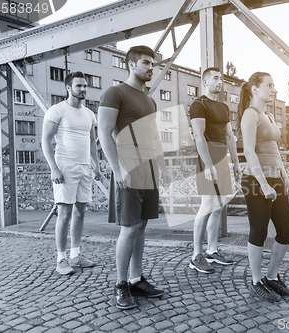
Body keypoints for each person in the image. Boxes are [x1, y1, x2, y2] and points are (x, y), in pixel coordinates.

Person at [98, 45, 171, 309]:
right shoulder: (115, 93)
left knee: (142, 226)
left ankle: (136, 279)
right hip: (128, 166)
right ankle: (120, 285)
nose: (151, 67)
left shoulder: (150, 100)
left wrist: (163, 169)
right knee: (128, 228)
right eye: (146, 63)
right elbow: (104, 133)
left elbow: (154, 137)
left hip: (148, 167)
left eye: (153, 64)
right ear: (131, 64)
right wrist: (117, 169)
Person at [238, 72, 289, 302]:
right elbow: (249, 151)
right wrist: (263, 184)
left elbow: (274, 151)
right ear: (254, 89)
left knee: (286, 230)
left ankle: (272, 277)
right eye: (269, 85)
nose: (274, 90)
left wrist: (286, 178)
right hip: (256, 180)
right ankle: (255, 281)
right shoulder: (250, 115)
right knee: (259, 231)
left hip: (275, 180)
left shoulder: (269, 114)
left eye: (274, 85)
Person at [42, 71, 102, 275]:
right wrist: (54, 168)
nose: (83, 89)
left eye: (85, 86)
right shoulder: (57, 111)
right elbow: (46, 141)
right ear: (68, 88)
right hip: (65, 167)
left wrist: (97, 165)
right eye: (79, 86)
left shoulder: (89, 114)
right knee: (64, 213)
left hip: (85, 167)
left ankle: (76, 255)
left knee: (80, 212)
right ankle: (61, 259)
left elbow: (92, 143)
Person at [188, 67, 240, 273]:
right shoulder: (198, 104)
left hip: (223, 157)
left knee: (219, 205)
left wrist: (235, 162)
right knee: (207, 204)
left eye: (222, 78)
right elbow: (199, 136)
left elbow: (230, 137)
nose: (220, 81)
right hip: (207, 157)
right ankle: (196, 255)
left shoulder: (224, 107)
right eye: (216, 78)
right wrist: (208, 164)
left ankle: (212, 250)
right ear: (205, 81)